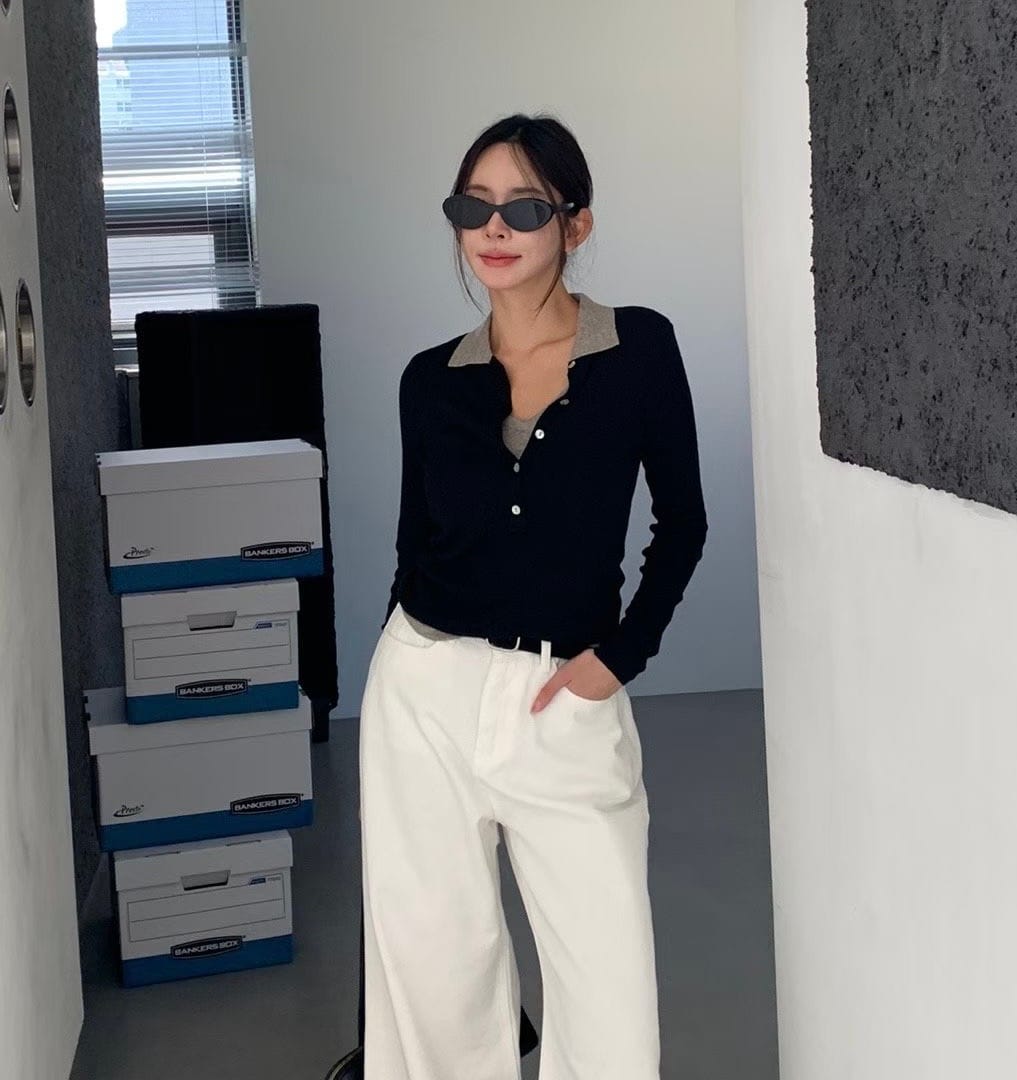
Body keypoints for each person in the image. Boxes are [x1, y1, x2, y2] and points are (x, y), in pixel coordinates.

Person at [357, 112, 708, 1079]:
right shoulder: (430, 380)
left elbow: (683, 521)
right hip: (423, 693)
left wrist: (619, 659)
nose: (493, 228)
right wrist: (397, 674)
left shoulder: (637, 349)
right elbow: (413, 546)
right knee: (435, 971)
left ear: (575, 224)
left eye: (523, 207)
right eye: (473, 205)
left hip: (564, 694)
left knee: (606, 988)